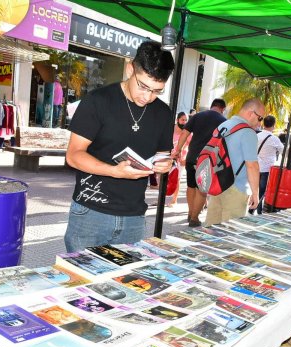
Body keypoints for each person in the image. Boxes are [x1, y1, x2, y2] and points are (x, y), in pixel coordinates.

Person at [64, 41, 175, 252]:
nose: (147, 96)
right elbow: (74, 155)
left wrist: (164, 165)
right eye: (143, 86)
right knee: (84, 280)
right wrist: (114, 171)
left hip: (133, 216)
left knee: (124, 280)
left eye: (156, 91)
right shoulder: (98, 101)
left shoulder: (163, 113)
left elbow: (162, 155)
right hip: (91, 211)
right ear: (130, 69)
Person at [204, 98, 264, 226]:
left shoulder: (224, 125)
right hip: (236, 188)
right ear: (251, 113)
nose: (260, 123)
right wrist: (255, 193)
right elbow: (252, 165)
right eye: (260, 118)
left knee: (211, 229)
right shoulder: (248, 132)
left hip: (217, 184)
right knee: (230, 233)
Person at [173, 99, 226, 227]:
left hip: (191, 157)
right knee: (201, 190)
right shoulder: (223, 121)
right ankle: (195, 218)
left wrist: (178, 150)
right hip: (207, 159)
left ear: (211, 105)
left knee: (191, 186)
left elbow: (185, 133)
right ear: (222, 109)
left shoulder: (197, 116)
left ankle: (191, 213)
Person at [250, 115, 283, 215]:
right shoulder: (274, 139)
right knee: (262, 191)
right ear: (273, 125)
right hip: (266, 169)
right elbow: (283, 150)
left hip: (254, 167)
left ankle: (251, 208)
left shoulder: (256, 135)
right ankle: (258, 211)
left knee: (254, 189)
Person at [168, 112, 190, 207]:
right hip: (168, 157)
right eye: (182, 120)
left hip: (180, 159)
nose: (184, 122)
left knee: (177, 178)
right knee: (163, 178)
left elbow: (191, 146)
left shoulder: (188, 132)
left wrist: (185, 158)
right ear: (177, 120)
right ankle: (161, 198)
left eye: (186, 120)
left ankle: (174, 200)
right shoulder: (170, 129)